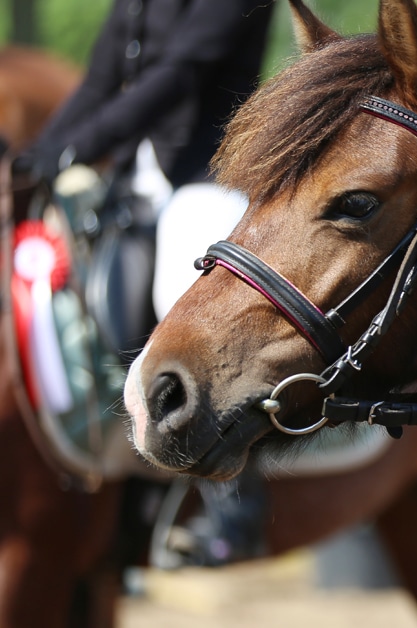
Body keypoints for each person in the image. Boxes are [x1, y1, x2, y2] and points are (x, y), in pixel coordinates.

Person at [16, 0, 276, 567]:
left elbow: (176, 76)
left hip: (210, 177)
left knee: (180, 294)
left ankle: (233, 500)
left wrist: (74, 150)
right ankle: (128, 492)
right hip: (137, 183)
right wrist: (32, 163)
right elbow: (97, 86)